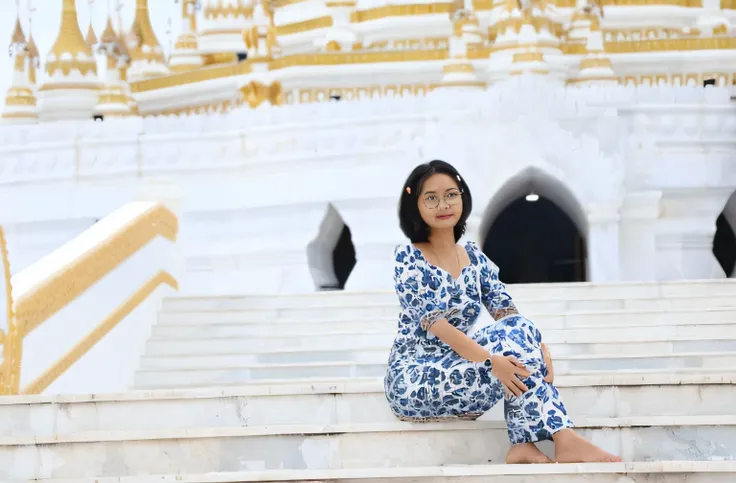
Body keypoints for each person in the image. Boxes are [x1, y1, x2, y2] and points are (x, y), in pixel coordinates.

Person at [383, 160, 622, 464]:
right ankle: (562, 438)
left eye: (451, 194)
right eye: (430, 197)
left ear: (462, 196)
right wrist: (492, 360)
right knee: (505, 351)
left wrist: (540, 352)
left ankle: (529, 444)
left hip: (462, 364)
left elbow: (509, 316)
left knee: (517, 330)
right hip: (415, 377)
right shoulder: (408, 259)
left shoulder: (474, 258)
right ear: (414, 204)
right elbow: (439, 327)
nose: (443, 204)